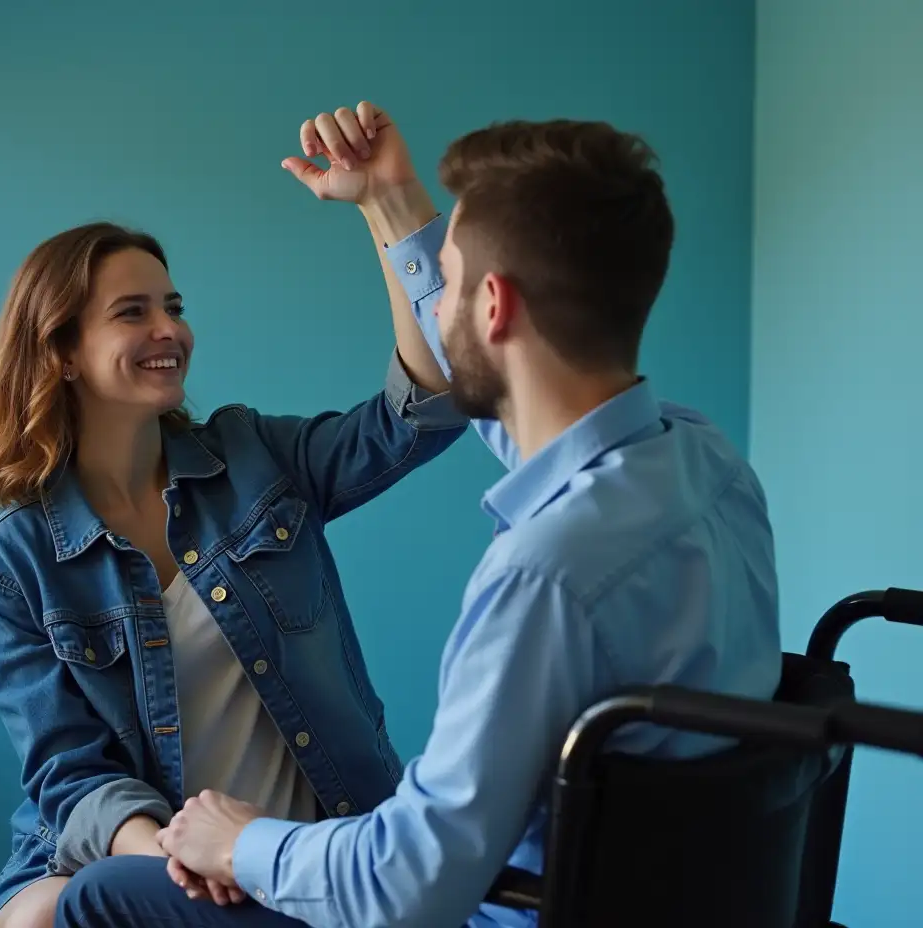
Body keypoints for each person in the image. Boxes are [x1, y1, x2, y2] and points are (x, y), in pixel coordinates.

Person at [54, 108, 782, 927]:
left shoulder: (546, 576)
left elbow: (406, 887)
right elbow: (501, 398)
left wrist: (244, 841)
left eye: (452, 284)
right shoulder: (702, 459)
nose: (433, 312)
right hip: (670, 899)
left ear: (495, 307)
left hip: (494, 911)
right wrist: (391, 200)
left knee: (99, 900)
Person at [0, 102, 470, 928]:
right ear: (60, 351)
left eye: (174, 305)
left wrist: (390, 200)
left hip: (308, 842)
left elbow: (432, 406)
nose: (172, 330)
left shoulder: (256, 457)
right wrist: (183, 855)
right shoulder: (12, 564)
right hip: (141, 854)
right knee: (45, 914)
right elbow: (69, 777)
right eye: (134, 312)